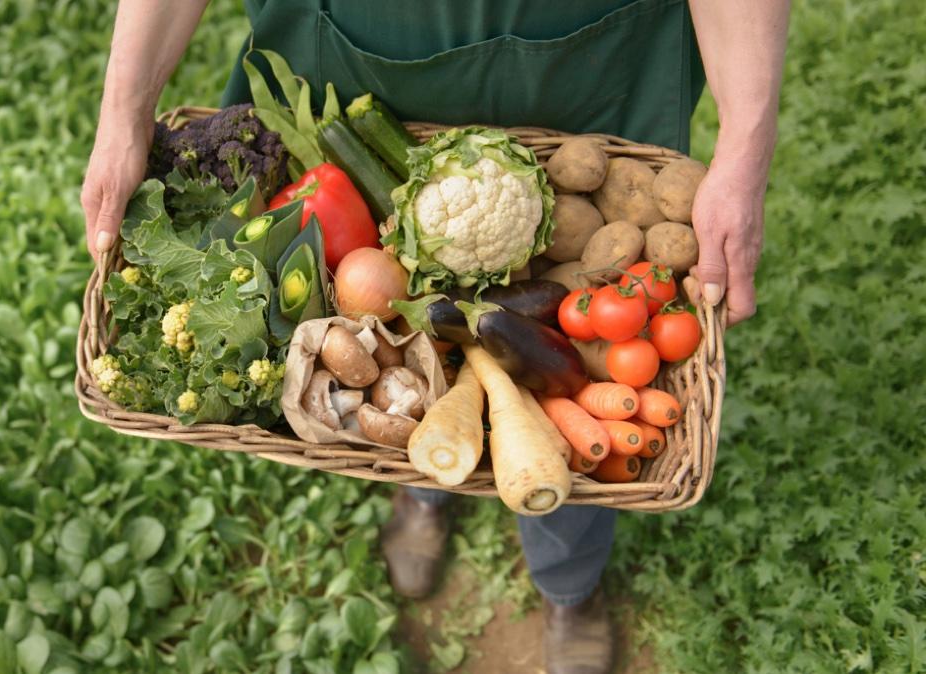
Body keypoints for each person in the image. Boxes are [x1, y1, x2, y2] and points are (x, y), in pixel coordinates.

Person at [82, 2, 790, 671]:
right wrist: (122, 112)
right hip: (354, 63)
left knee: (567, 395)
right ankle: (424, 484)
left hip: (584, 68)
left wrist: (748, 142)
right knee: (414, 360)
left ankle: (567, 582)